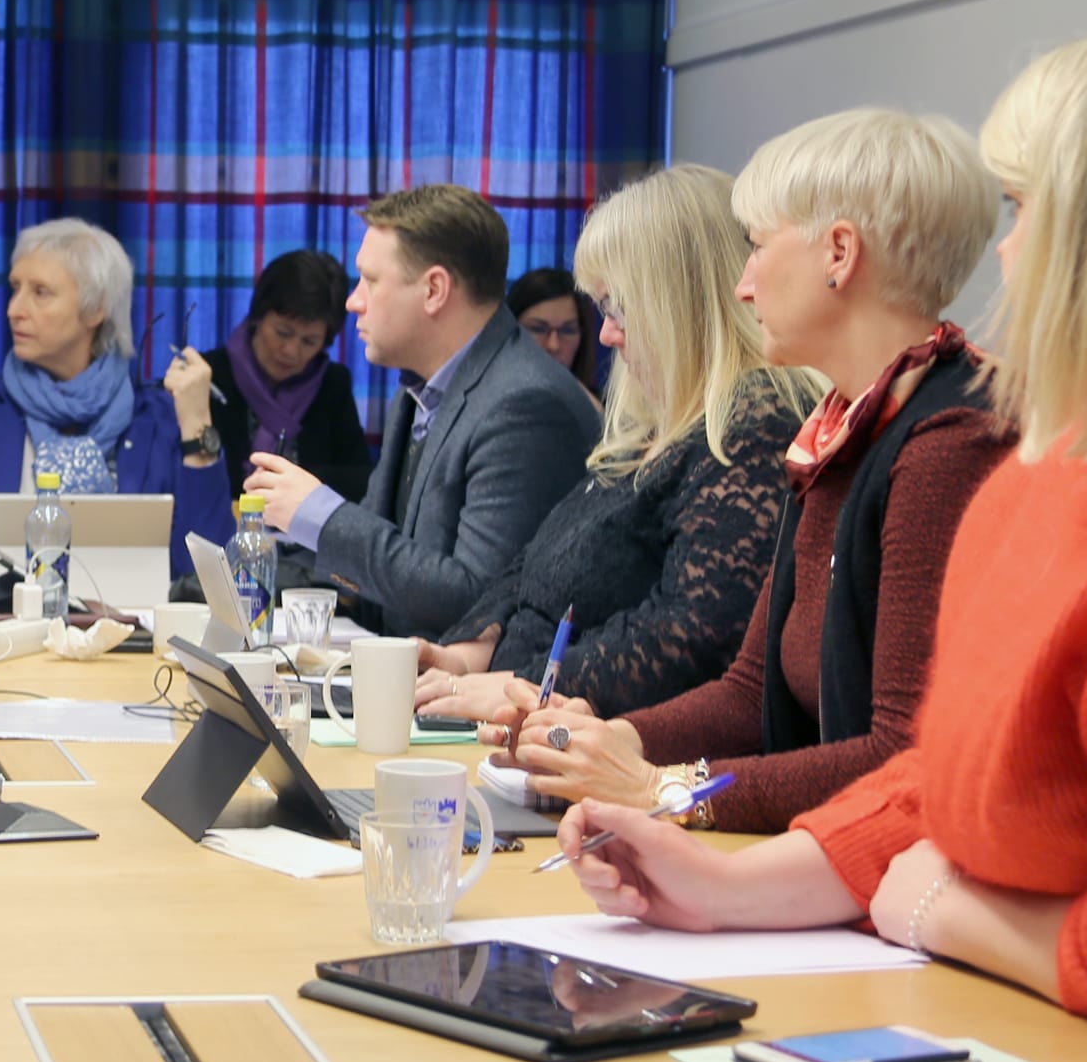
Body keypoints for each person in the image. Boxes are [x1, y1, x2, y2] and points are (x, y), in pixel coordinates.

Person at [560, 18, 1087, 1062]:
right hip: (1072, 1046)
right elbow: (939, 776)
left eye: (1024, 208)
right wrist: (726, 887)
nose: (1004, 253)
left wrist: (944, 907)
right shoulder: (1054, 467)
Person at [500, 109, 1015, 834]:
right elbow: (750, 692)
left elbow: (902, 757)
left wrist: (666, 788)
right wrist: (613, 740)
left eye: (757, 247)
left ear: (839, 253)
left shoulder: (945, 445)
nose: (743, 286)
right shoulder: (842, 425)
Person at [408, 165, 821, 725]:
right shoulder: (655, 424)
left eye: (617, 307)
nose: (606, 334)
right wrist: (468, 653)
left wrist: (522, 686)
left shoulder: (756, 418)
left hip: (607, 740)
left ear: (678, 303)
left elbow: (694, 633)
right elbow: (536, 566)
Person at [242, 186, 601, 635]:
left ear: (434, 290)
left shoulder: (526, 403)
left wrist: (322, 517)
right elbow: (386, 569)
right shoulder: (420, 384)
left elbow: (477, 604)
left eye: (370, 280)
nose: (354, 301)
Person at [0, 217, 230, 573]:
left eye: (40, 292)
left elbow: (207, 572)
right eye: (15, 288)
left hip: (131, 611)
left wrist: (197, 426)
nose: (14, 310)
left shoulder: (158, 416)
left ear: (95, 309)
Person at [193, 248, 370, 504]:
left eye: (309, 341)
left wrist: (295, 485)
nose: (291, 351)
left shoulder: (333, 384)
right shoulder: (207, 375)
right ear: (258, 315)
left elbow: (361, 480)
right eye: (283, 333)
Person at [508, 265, 608, 399]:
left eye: (567, 331)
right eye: (538, 329)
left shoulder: (602, 407)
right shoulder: (485, 401)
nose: (553, 345)